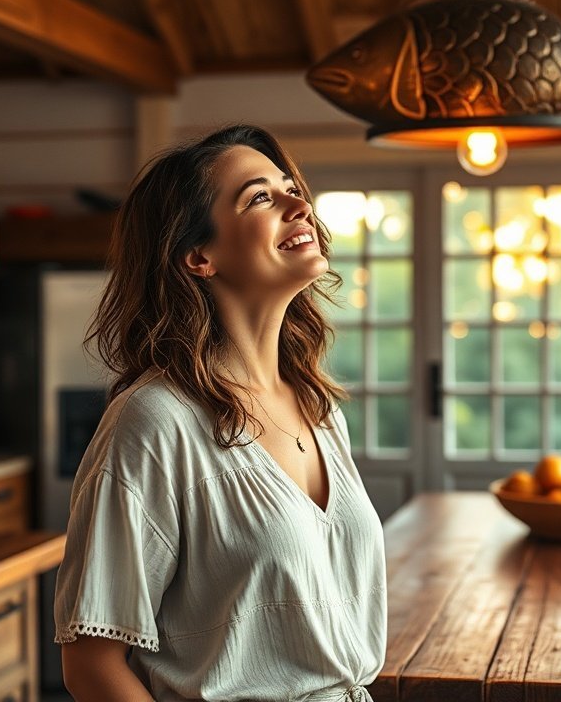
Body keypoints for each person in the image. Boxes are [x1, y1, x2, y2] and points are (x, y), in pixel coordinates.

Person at [54, 124, 388, 701]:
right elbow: (92, 667)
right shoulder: (155, 421)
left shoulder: (317, 407)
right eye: (260, 196)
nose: (297, 202)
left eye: (290, 187)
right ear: (199, 257)